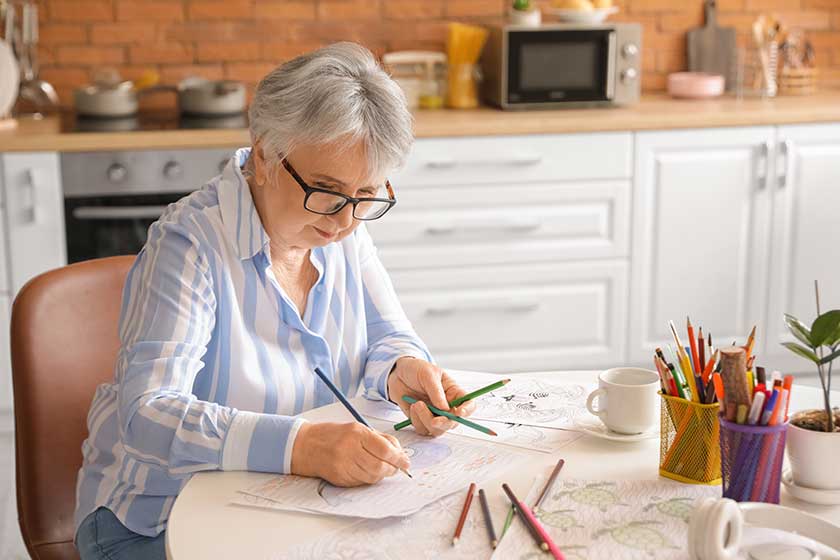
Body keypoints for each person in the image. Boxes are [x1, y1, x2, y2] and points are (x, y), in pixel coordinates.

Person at [74, 42, 475, 560]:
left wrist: (405, 371)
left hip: (286, 505)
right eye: (327, 192)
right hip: (156, 520)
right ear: (264, 155)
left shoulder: (343, 228)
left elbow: (386, 336)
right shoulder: (189, 245)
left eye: (366, 196)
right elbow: (149, 415)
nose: (345, 221)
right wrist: (301, 446)